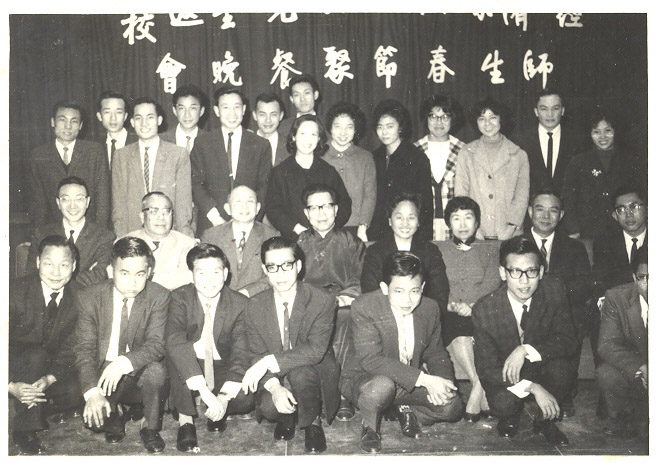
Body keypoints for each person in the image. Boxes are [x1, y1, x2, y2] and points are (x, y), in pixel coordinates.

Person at [341, 251, 464, 454]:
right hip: (368, 379)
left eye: (414, 291)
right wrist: (425, 380)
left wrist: (443, 383)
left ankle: (405, 409)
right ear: (384, 288)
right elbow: (371, 360)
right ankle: (370, 426)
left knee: (453, 406)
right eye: (398, 291)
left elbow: (435, 352)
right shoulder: (365, 306)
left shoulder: (430, 308)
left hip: (407, 381)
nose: (407, 300)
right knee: (381, 388)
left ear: (422, 287)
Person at [471, 236, 577, 447]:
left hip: (541, 366)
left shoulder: (554, 291)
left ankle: (545, 420)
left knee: (562, 369)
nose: (524, 281)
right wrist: (534, 388)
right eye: (515, 272)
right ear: (503, 273)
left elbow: (568, 340)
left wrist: (525, 349)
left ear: (541, 272)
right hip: (506, 376)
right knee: (503, 403)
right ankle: (511, 416)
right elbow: (487, 369)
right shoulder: (485, 309)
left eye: (531, 272)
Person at [241, 237, 340, 454]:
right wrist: (275, 387)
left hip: (311, 369)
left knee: (301, 374)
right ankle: (288, 415)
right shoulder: (254, 305)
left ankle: (312, 421)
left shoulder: (322, 299)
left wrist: (269, 361)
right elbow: (256, 353)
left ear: (298, 266)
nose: (280, 274)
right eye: (273, 267)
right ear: (264, 270)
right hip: (277, 374)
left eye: (287, 265)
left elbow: (315, 350)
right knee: (269, 407)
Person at [75, 237, 170, 453]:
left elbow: (156, 344)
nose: (132, 282)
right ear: (111, 271)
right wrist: (92, 393)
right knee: (95, 423)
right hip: (103, 371)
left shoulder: (159, 295)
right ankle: (116, 412)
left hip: (136, 368)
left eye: (140, 274)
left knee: (157, 372)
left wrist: (122, 362)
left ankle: (150, 427)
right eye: (124, 273)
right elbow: (85, 350)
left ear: (149, 273)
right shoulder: (89, 297)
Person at [165, 244, 254, 452]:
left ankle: (218, 411)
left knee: (245, 399)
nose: (209, 281)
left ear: (225, 273)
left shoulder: (240, 303)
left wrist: (222, 398)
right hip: (190, 362)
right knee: (177, 356)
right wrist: (204, 391)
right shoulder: (179, 298)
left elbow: (241, 352)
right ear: (191, 275)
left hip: (220, 363)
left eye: (216, 272)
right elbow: (175, 341)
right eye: (201, 273)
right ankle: (186, 422)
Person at [9, 236, 82, 455]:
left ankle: (35, 403)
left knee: (77, 392)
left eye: (64, 265)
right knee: (36, 356)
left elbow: (72, 348)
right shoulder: (14, 292)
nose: (56, 272)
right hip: (13, 367)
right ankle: (24, 429)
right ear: (38, 262)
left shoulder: (79, 298)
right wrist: (10, 386)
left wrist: (49, 379)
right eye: (49, 264)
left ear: (74, 266)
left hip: (45, 371)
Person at [525, 189, 593, 416]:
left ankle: (563, 393)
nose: (546, 216)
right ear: (529, 211)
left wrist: (554, 299)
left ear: (561, 215)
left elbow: (583, 285)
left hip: (563, 310)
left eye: (553, 211)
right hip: (526, 307)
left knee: (574, 319)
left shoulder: (575, 247)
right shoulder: (517, 244)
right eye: (540, 209)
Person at [436, 196, 501, 422]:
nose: (462, 225)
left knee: (471, 325)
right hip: (450, 311)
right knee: (457, 328)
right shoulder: (438, 248)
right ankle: (478, 383)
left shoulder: (492, 248)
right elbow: (437, 283)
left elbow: (492, 283)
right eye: (456, 218)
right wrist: (452, 304)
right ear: (448, 223)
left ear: (477, 222)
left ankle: (476, 387)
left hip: (482, 311)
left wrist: (472, 307)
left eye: (468, 218)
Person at [191, 86, 272, 234]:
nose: (232, 113)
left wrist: (250, 219)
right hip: (211, 224)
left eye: (237, 107)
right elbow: (196, 183)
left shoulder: (260, 144)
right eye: (225, 107)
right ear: (217, 111)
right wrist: (215, 217)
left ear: (244, 109)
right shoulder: (202, 143)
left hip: (250, 225)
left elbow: (264, 187)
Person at [112, 97, 194, 238]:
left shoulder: (178, 154)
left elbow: (183, 205)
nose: (144, 123)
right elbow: (118, 206)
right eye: (138, 118)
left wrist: (185, 239)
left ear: (159, 120)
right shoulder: (121, 156)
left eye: (150, 117)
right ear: (132, 122)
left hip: (169, 234)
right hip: (134, 234)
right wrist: (122, 238)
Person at [361, 192, 449, 316]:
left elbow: (439, 294)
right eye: (399, 217)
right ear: (390, 221)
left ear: (418, 221)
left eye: (411, 217)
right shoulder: (375, 252)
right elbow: (370, 292)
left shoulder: (430, 251)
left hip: (421, 319)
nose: (405, 223)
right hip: (385, 319)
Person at [266, 114, 352, 240]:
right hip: (293, 239)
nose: (308, 140)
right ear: (294, 137)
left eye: (313, 134)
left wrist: (327, 228)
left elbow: (344, 204)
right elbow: (273, 209)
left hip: (326, 239)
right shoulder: (280, 172)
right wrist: (296, 228)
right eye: (302, 134)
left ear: (318, 139)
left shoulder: (328, 171)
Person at [25, 101, 110, 228]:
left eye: (74, 121)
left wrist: (100, 234)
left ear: (80, 125)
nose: (68, 126)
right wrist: (39, 237)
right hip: (53, 231)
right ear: (53, 122)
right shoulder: (38, 155)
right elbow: (37, 203)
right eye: (62, 120)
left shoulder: (94, 151)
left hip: (89, 231)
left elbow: (103, 198)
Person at [455, 97, 529, 240]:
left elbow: (522, 195)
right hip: (475, 232)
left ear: (501, 119)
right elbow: (461, 193)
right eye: (482, 119)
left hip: (509, 232)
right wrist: (472, 228)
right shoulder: (467, 152)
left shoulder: (519, 154)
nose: (487, 123)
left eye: (493, 118)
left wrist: (511, 227)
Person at [561, 108, 638, 241]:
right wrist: (574, 229)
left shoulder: (629, 161)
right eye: (596, 132)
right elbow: (568, 198)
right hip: (587, 232)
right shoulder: (578, 162)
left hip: (622, 231)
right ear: (590, 134)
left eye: (607, 131)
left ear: (615, 131)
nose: (602, 137)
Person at [596, 246, 648, 440]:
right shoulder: (616, 297)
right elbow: (606, 344)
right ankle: (619, 414)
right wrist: (642, 367)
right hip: (637, 372)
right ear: (635, 278)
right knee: (606, 373)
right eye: (644, 278)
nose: (651, 285)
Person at [27, 176, 116, 286]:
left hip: (84, 299)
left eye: (79, 199)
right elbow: (31, 275)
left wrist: (57, 281)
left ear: (87, 202)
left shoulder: (104, 237)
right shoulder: (41, 234)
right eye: (66, 199)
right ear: (58, 203)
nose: (72, 206)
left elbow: (100, 275)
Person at [369, 99, 433, 241]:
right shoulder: (374, 157)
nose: (384, 132)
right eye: (380, 127)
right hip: (379, 231)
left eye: (390, 126)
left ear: (400, 127)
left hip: (408, 232)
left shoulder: (417, 158)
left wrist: (423, 239)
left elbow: (426, 204)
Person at [201, 185, 279, 297]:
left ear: (258, 208)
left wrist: (247, 293)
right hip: (219, 298)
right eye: (238, 202)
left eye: (250, 201)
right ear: (228, 208)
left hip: (256, 299)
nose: (244, 207)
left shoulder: (271, 236)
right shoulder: (211, 235)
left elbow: (274, 274)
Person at [413, 94, 466, 241]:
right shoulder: (414, 150)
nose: (439, 122)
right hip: (423, 223)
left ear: (452, 119)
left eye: (445, 117)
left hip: (455, 223)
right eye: (433, 116)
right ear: (426, 118)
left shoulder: (464, 150)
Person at [323, 102, 376, 242]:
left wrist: (363, 227)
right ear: (330, 128)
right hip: (323, 228)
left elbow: (369, 195)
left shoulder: (365, 158)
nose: (343, 133)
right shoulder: (319, 155)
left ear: (356, 129)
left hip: (356, 228)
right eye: (337, 126)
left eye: (349, 127)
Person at [123, 192, 196, 291]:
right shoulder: (126, 242)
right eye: (153, 211)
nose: (161, 217)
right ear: (142, 217)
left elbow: (187, 276)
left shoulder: (187, 244)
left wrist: (145, 277)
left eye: (166, 211)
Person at [516, 89, 582, 199]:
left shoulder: (577, 142)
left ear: (562, 111)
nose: (550, 114)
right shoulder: (520, 142)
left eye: (555, 108)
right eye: (544, 109)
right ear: (536, 111)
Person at [593, 186, 648, 296]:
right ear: (614, 216)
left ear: (646, 209)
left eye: (634, 207)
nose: (629, 214)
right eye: (621, 209)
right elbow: (602, 284)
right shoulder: (604, 244)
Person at [95, 91, 138, 169]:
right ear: (99, 116)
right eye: (107, 112)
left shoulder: (137, 142)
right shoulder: (95, 146)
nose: (113, 118)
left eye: (118, 112)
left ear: (125, 116)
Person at [160, 84, 208, 153]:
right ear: (174, 111)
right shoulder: (161, 140)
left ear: (201, 111)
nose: (187, 115)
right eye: (181, 108)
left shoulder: (210, 141)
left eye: (193, 108)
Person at [277, 74, 321, 139]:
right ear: (292, 99)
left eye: (307, 93)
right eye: (297, 95)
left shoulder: (326, 124)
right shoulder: (284, 127)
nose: (302, 99)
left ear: (315, 95)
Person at [252, 92, 289, 167]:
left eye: (273, 114)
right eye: (262, 115)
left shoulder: (290, 145)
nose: (268, 120)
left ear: (281, 116)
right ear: (254, 115)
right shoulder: (245, 144)